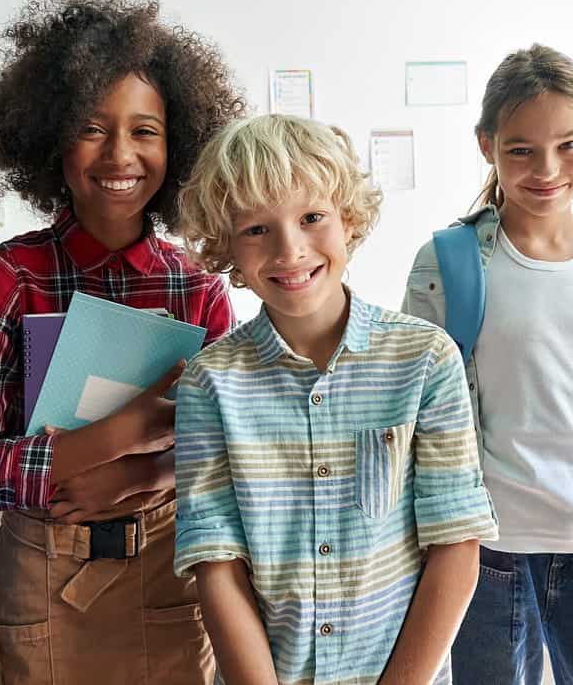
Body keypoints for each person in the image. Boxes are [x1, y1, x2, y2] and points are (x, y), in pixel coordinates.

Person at [0, 0, 245, 684]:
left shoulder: (199, 290)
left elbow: (236, 458)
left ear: (179, 142)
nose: (119, 155)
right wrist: (98, 448)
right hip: (44, 579)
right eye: (90, 129)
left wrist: (147, 470)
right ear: (51, 144)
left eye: (144, 131)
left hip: (169, 576)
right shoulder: (8, 280)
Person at [174, 114, 496, 684]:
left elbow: (455, 545)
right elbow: (216, 565)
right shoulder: (209, 382)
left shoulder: (426, 360)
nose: (289, 249)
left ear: (348, 219)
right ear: (226, 248)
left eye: (312, 217)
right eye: (256, 230)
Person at [403, 44, 573, 684]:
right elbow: (416, 423)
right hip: (485, 551)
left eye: (569, 145)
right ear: (487, 145)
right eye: (520, 149)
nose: (546, 169)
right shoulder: (444, 264)